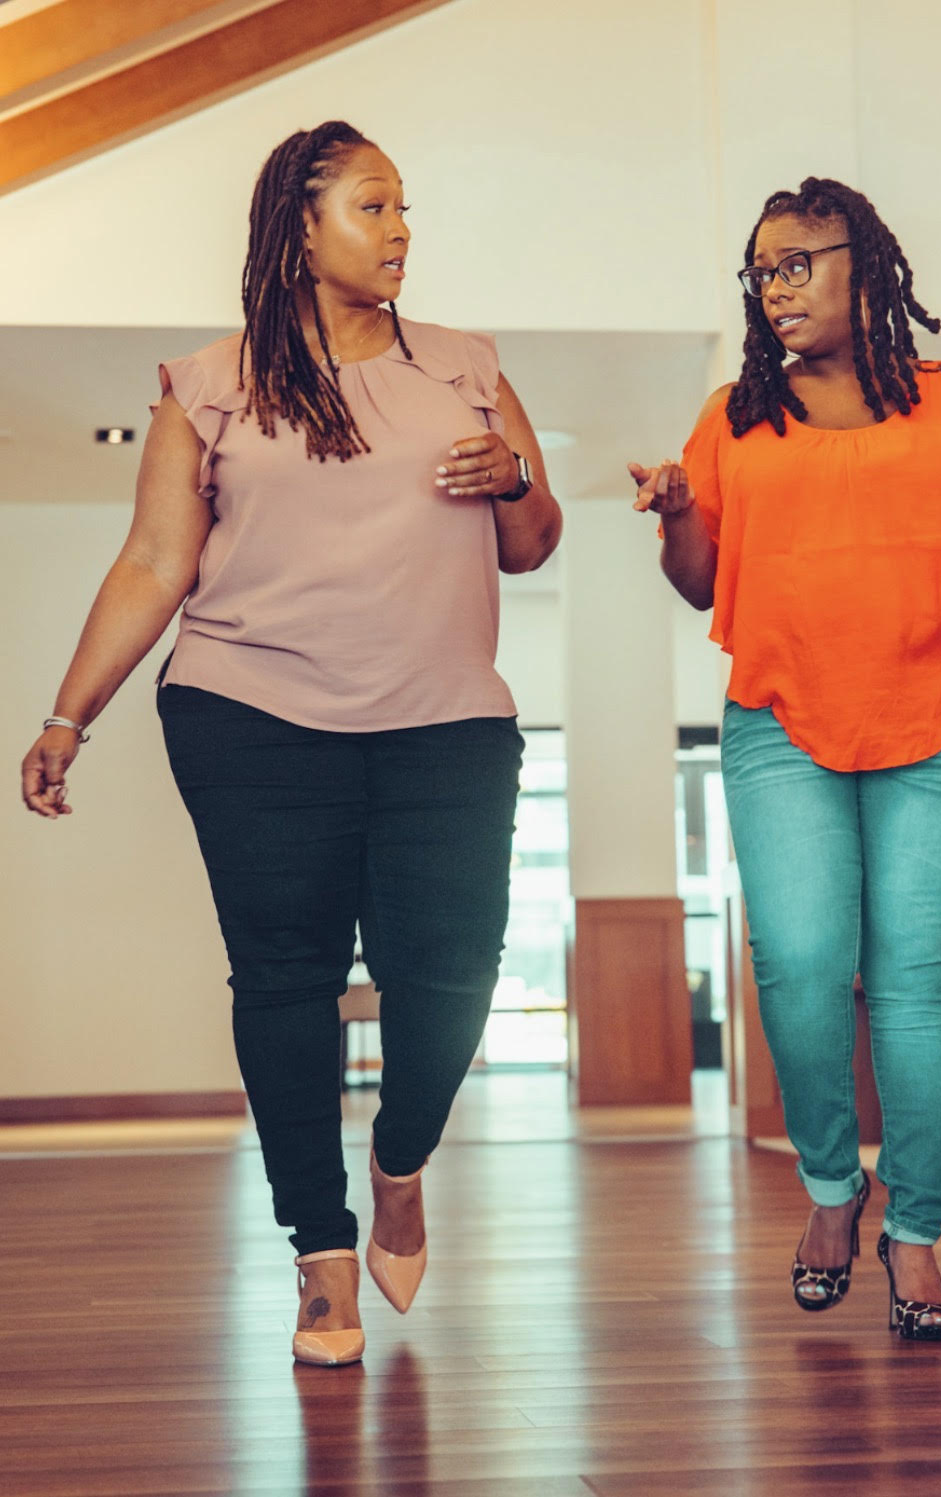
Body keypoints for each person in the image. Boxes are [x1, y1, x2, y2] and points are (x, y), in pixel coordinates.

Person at [20, 120, 562, 1367]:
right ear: (300, 229)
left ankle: (401, 1159)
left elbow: (530, 545)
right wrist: (67, 714)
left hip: (444, 720)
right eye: (374, 206)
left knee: (453, 972)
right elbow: (154, 562)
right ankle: (320, 1253)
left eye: (405, 207)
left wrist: (512, 477)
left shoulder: (467, 369)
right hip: (250, 715)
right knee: (283, 979)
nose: (401, 230)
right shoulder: (210, 384)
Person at [629, 177, 941, 1340]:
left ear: (868, 263)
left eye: (797, 262)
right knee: (798, 961)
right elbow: (699, 582)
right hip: (780, 716)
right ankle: (832, 1187)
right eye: (761, 271)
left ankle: (917, 1230)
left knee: (909, 973)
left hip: (937, 715)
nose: (775, 287)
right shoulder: (734, 414)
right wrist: (679, 510)